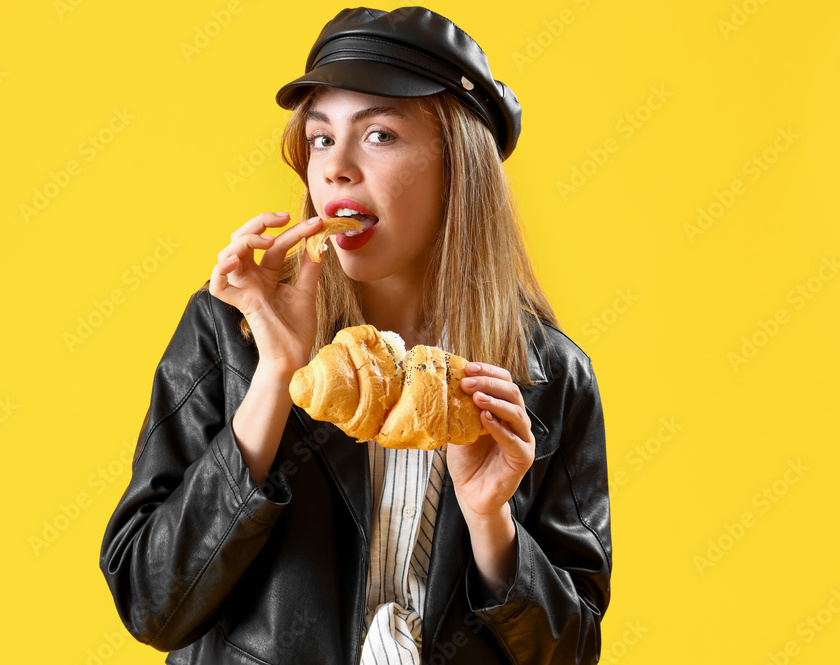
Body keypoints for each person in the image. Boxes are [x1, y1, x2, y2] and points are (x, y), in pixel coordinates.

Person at [99, 6, 611, 664]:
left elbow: (570, 651)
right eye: (319, 138)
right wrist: (274, 378)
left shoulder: (549, 376)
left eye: (378, 136)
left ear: (459, 165)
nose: (335, 166)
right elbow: (151, 603)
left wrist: (492, 523)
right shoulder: (230, 329)